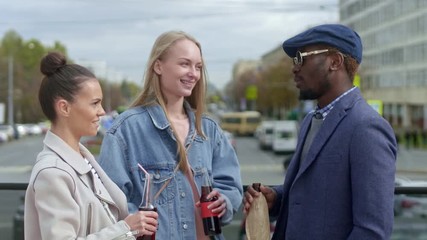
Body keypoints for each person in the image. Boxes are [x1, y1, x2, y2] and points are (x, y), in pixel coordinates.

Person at [243, 24, 397, 239]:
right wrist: (276, 199)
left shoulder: (366, 127)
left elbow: (372, 230)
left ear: (335, 62)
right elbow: (318, 193)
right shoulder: (310, 120)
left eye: (301, 58)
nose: (294, 68)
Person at [98, 30, 243, 240]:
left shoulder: (209, 129)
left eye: (198, 66)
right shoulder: (125, 130)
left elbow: (229, 185)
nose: (193, 73)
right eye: (184, 64)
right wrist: (135, 221)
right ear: (158, 66)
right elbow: (110, 204)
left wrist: (224, 201)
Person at [25, 52, 158, 240]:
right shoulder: (52, 173)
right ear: (64, 108)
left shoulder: (84, 159)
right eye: (95, 103)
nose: (102, 111)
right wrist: (126, 229)